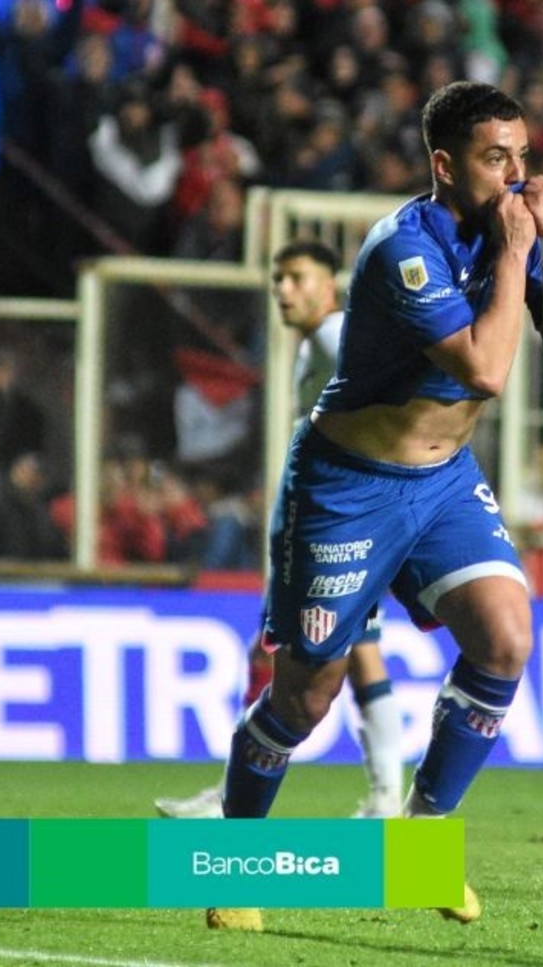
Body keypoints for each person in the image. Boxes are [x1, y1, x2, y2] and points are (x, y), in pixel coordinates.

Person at [207, 81, 543, 932]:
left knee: (505, 633)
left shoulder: (518, 229)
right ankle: (232, 863)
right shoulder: (403, 248)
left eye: (523, 156)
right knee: (303, 700)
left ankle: (418, 845)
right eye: (497, 159)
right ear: (443, 164)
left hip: (444, 480)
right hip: (349, 486)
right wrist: (515, 249)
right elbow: (486, 370)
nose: (516, 175)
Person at [155, 240, 408, 821]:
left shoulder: (334, 335)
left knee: (294, 656)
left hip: (343, 523)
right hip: (334, 520)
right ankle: (384, 797)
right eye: (278, 280)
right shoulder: (310, 347)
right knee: (344, 655)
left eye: (296, 278)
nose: (284, 290)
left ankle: (236, 800)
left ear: (329, 284)